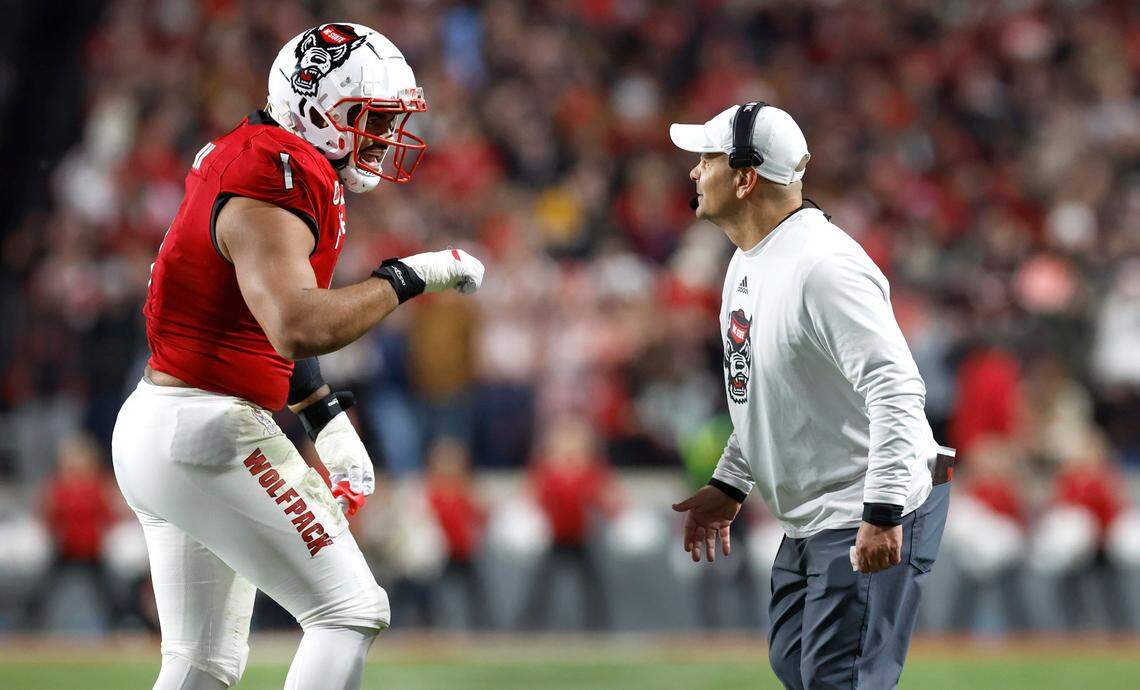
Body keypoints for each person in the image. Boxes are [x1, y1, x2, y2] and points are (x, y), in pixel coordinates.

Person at [111, 23, 484, 690]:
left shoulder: (262, 156)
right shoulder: (277, 170)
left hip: (167, 424)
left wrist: (328, 421)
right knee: (349, 610)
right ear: (316, 109)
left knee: (201, 663)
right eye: (372, 119)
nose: (380, 137)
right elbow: (295, 324)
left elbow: (264, 318)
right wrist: (408, 277)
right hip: (203, 430)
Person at [668, 102, 952, 689]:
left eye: (707, 159)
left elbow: (897, 389)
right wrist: (730, 482)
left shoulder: (823, 266)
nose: (695, 171)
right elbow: (766, 388)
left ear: (746, 178)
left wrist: (881, 512)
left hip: (866, 504)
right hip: (817, 516)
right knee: (797, 667)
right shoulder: (747, 261)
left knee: (836, 679)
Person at [21, 433, 123, 630]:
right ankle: (28, 626)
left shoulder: (98, 485)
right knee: (43, 589)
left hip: (92, 550)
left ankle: (121, 626)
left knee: (109, 593)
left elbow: (110, 516)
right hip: (66, 549)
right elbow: (46, 515)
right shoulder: (58, 485)